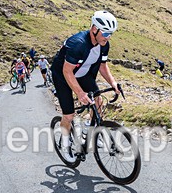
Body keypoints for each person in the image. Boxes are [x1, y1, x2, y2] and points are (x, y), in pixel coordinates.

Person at [51, 10, 120, 162]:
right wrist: (80, 93)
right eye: (106, 33)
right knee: (69, 116)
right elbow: (67, 71)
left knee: (98, 102)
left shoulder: (104, 44)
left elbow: (102, 66)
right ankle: (64, 142)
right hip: (63, 75)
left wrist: (113, 83)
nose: (108, 37)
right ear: (94, 29)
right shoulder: (78, 43)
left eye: (111, 34)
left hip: (83, 74)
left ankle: (90, 130)